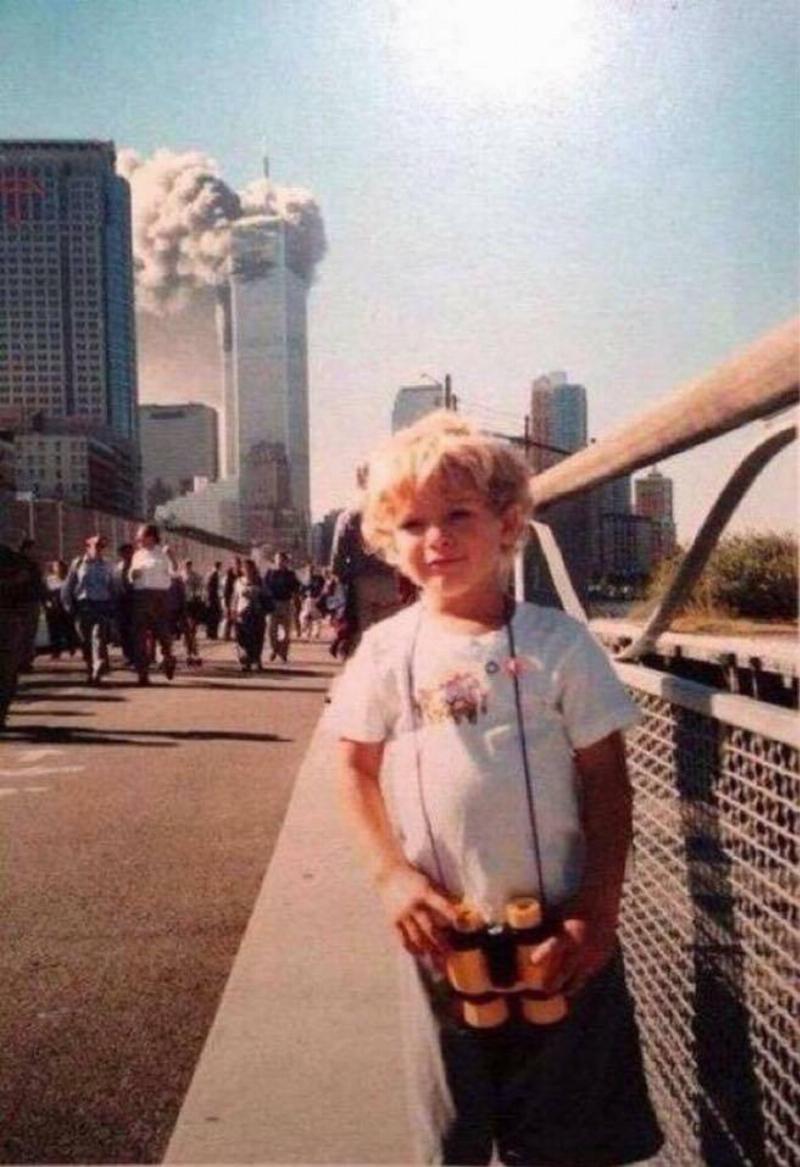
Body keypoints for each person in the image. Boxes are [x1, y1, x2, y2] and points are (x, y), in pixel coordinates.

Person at [327, 412, 663, 1166]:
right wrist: (392, 876)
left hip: (560, 930)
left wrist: (596, 911)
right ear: (388, 541)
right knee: (452, 1135)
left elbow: (608, 785)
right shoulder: (385, 651)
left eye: (458, 515)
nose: (435, 537)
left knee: (570, 1134)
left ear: (509, 521)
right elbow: (353, 766)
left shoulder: (559, 644)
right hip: (443, 932)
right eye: (411, 523)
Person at [330, 465, 407, 657]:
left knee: (364, 637)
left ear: (358, 483)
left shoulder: (349, 516)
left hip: (361, 583)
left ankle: (367, 680)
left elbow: (338, 556)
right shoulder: (395, 512)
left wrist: (340, 575)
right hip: (391, 581)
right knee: (393, 637)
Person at [0, 541, 45, 730]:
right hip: (11, 619)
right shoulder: (16, 560)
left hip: (9, 619)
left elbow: (32, 587)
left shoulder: (14, 559)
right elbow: (33, 586)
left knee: (7, 670)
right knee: (7, 671)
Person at [62, 535, 116, 685]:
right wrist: (67, 604)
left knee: (98, 636)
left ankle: (97, 667)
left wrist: (113, 605)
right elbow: (68, 585)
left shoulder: (107, 565)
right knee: (85, 640)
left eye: (101, 547)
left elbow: (112, 586)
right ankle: (90, 669)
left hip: (101, 604)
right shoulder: (78, 563)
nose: (99, 549)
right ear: (87, 547)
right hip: (83, 605)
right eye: (96, 546)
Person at [129, 523, 178, 685]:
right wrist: (132, 575)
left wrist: (171, 557)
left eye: (141, 536)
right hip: (141, 597)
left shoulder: (162, 554)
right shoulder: (137, 555)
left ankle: (168, 659)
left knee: (163, 633)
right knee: (140, 636)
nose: (138, 539)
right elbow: (131, 575)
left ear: (151, 537)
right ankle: (142, 673)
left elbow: (174, 572)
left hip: (160, 597)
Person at [263, 551, 300, 663]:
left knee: (286, 632)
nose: (279, 562)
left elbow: (296, 590)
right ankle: (274, 649)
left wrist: (297, 603)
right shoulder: (269, 573)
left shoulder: (290, 574)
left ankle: (283, 652)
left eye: (282, 560)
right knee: (271, 631)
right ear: (274, 560)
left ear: (286, 562)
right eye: (277, 559)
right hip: (272, 604)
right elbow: (264, 588)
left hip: (286, 604)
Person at [232, 557, 268, 671]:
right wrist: (233, 611)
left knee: (257, 637)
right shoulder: (238, 582)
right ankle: (246, 661)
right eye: (244, 567)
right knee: (242, 638)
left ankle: (256, 660)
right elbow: (235, 598)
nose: (247, 570)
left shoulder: (260, 581)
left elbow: (266, 596)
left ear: (253, 568)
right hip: (242, 614)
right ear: (242, 569)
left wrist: (255, 594)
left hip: (257, 613)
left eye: (249, 567)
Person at [16, 537, 46, 672]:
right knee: (25, 633)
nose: (35, 552)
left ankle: (24, 660)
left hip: (29, 601)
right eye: (33, 549)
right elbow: (38, 584)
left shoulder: (31, 564)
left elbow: (40, 584)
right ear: (26, 549)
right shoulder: (22, 564)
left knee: (27, 633)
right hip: (23, 602)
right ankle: (23, 661)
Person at [44, 559, 79, 659]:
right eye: (56, 566)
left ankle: (72, 648)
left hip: (66, 607)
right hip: (53, 608)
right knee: (54, 630)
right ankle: (55, 651)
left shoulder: (69, 579)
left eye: (60, 566)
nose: (58, 568)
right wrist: (47, 602)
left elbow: (73, 593)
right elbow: (45, 593)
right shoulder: (49, 579)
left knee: (69, 629)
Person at [112, 544, 136, 667]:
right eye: (124, 553)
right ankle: (128, 656)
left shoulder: (137, 567)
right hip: (121, 603)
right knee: (124, 631)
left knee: (136, 631)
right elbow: (114, 585)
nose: (127, 555)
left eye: (129, 552)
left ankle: (138, 656)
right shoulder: (117, 568)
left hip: (135, 602)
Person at [180, 559, 205, 666]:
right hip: (183, 604)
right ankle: (190, 653)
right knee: (188, 630)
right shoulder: (180, 576)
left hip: (193, 604)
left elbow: (200, 587)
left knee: (192, 630)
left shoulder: (195, 576)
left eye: (189, 564)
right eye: (186, 565)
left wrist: (198, 595)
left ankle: (192, 653)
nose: (188, 566)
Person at [204, 560, 223, 640]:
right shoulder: (214, 574)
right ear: (218, 566)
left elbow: (207, 586)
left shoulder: (210, 573)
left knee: (210, 617)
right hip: (213, 598)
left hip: (211, 598)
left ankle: (210, 633)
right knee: (214, 617)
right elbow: (211, 588)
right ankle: (213, 634)